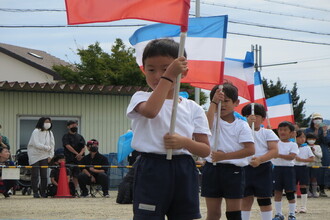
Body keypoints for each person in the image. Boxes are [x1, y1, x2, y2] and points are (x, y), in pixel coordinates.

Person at [126, 39, 211, 220]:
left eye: (166, 69)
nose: (158, 75)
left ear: (184, 71)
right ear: (143, 70)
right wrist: (169, 76)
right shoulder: (140, 97)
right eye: (151, 69)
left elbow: (205, 149)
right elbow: (150, 111)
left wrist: (185, 142)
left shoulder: (193, 107)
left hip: (184, 168)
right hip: (151, 166)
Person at [202, 83, 255, 220]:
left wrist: (224, 156)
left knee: (233, 214)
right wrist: (214, 103)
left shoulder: (241, 125)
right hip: (211, 169)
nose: (222, 105)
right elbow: (205, 128)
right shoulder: (210, 119)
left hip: (234, 171)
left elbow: (250, 150)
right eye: (219, 101)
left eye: (226, 101)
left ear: (236, 102)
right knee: (213, 213)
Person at [241, 103, 279, 220]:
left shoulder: (267, 132)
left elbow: (274, 151)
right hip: (244, 167)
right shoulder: (241, 131)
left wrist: (260, 159)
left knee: (264, 199)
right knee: (245, 198)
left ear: (263, 118)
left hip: (263, 168)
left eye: (256, 115)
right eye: (248, 115)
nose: (253, 118)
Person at [271, 121, 299, 220]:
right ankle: (278, 214)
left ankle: (292, 214)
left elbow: (291, 157)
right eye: (280, 130)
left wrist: (278, 155)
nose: (282, 132)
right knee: (277, 192)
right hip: (277, 170)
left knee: (290, 192)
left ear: (291, 133)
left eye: (285, 130)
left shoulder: (293, 144)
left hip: (289, 170)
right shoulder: (274, 143)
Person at [27, 117, 55, 198]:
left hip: (45, 155)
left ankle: (43, 192)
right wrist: (46, 148)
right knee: (35, 174)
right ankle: (35, 192)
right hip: (34, 154)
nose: (48, 123)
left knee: (44, 175)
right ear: (42, 122)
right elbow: (36, 144)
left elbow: (52, 145)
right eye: (46, 121)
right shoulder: (36, 131)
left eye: (49, 122)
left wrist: (51, 155)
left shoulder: (50, 133)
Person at [304, 113, 330, 197]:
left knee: (323, 168)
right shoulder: (308, 130)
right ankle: (310, 189)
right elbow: (310, 139)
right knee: (310, 169)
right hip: (310, 148)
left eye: (319, 118)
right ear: (312, 120)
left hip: (323, 149)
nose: (318, 120)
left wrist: (325, 131)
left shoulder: (326, 129)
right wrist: (315, 130)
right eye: (316, 118)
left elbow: (327, 141)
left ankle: (322, 189)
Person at [294, 130, 314, 213]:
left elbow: (312, 158)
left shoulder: (307, 147)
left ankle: (303, 207)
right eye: (300, 137)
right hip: (293, 168)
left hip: (303, 168)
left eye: (304, 137)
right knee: (293, 187)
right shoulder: (293, 146)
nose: (302, 139)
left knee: (303, 187)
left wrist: (301, 159)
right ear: (296, 138)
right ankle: (294, 206)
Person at [62, 120, 86, 189]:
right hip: (69, 159)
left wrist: (80, 154)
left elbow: (83, 146)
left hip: (78, 159)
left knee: (76, 175)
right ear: (68, 127)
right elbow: (67, 146)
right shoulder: (66, 136)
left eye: (75, 125)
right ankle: (66, 189)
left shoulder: (80, 136)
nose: (74, 126)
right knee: (68, 175)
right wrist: (76, 153)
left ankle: (74, 190)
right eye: (72, 125)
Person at [306, 132, 323, 198]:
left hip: (316, 163)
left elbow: (320, 156)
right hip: (307, 163)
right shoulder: (305, 146)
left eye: (313, 138)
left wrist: (314, 151)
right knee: (307, 178)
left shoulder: (318, 146)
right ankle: (307, 191)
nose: (311, 140)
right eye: (309, 138)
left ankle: (314, 191)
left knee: (314, 178)